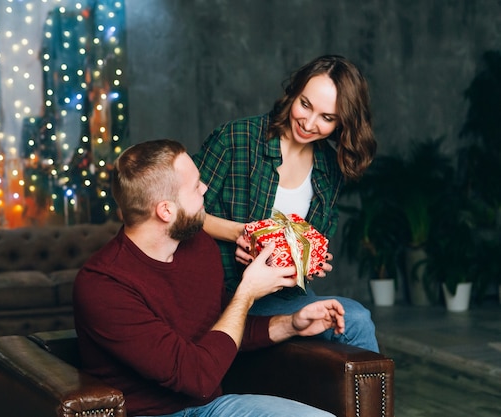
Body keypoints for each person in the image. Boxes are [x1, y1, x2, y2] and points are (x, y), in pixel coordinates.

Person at [73, 139, 345, 417]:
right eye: (195, 186)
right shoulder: (103, 286)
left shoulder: (198, 245)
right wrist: (247, 291)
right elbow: (198, 378)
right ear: (166, 210)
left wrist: (292, 324)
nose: (205, 189)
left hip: (209, 408)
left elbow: (221, 329)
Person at [192, 55, 379, 352]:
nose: (309, 123)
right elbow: (180, 212)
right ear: (293, 92)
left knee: (356, 319)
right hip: (225, 294)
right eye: (305, 104)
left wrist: (309, 262)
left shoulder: (330, 167)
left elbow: (309, 241)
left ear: (342, 123)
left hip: (283, 297)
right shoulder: (236, 139)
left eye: (327, 118)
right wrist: (241, 234)